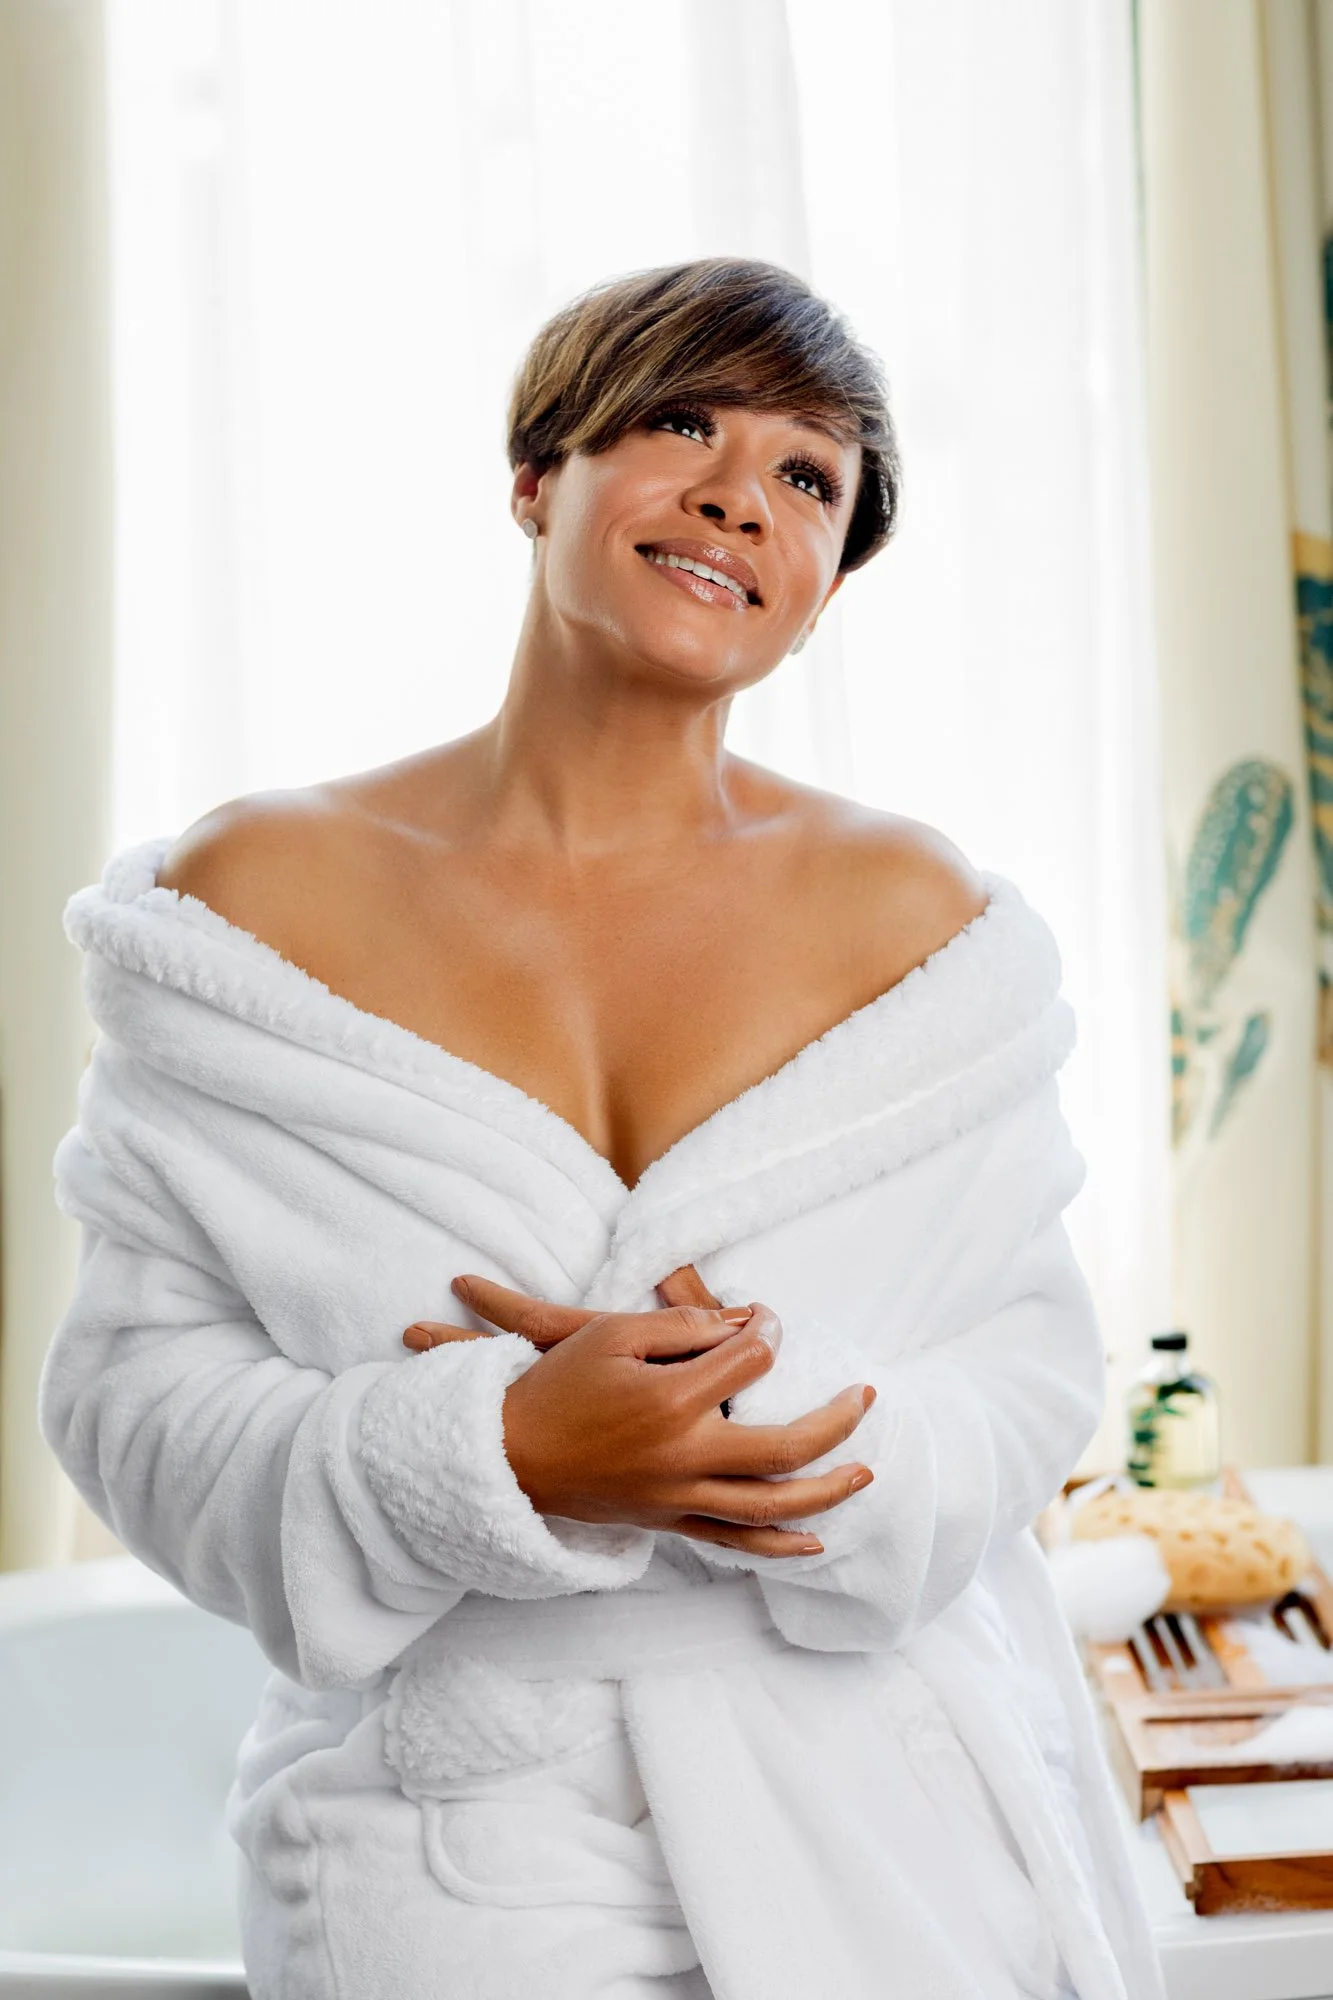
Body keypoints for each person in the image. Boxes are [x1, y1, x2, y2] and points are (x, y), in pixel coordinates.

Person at [40, 259, 1164, 2000]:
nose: (740, 493)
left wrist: (767, 1434)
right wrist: (487, 1458)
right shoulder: (258, 900)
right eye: (683, 421)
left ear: (820, 590)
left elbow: (1023, 1371)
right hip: (451, 1832)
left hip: (872, 1809)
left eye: (810, 478)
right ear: (534, 476)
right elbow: (133, 1396)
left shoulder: (918, 923)